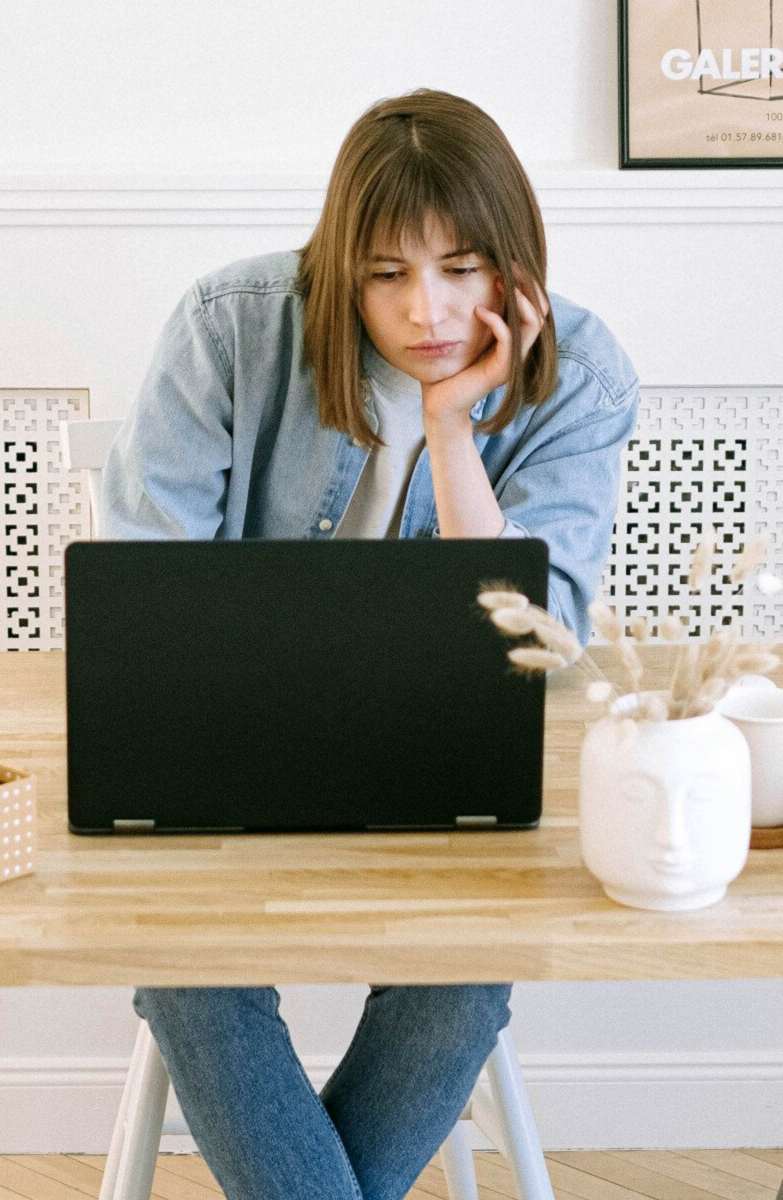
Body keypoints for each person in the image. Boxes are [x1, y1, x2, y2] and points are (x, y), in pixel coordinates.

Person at [100, 88, 640, 1200]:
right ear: (340, 264)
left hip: (443, 767)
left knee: (459, 982)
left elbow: (527, 652)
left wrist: (453, 428)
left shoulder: (578, 378)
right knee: (192, 972)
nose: (427, 309)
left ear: (517, 264)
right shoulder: (229, 326)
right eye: (387, 273)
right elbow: (149, 604)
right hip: (221, 758)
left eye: (462, 267)